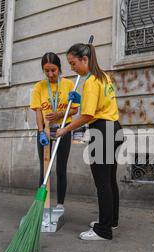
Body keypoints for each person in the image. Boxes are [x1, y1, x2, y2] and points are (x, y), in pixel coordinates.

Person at [56, 43, 123, 241]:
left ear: (84, 59)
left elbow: (87, 115)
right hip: (114, 128)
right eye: (69, 64)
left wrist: (65, 129)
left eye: (73, 63)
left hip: (102, 131)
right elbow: (99, 105)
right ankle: (110, 220)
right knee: (110, 180)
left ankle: (103, 230)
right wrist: (81, 98)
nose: (72, 68)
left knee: (102, 182)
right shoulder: (104, 76)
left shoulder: (91, 82)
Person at [30, 52, 79, 213]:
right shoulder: (39, 87)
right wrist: (40, 132)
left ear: (59, 68)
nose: (50, 74)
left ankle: (60, 204)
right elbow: (38, 112)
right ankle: (41, 206)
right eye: (47, 71)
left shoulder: (69, 84)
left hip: (63, 130)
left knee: (61, 168)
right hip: (45, 131)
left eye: (54, 70)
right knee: (44, 169)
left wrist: (59, 114)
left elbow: (74, 110)